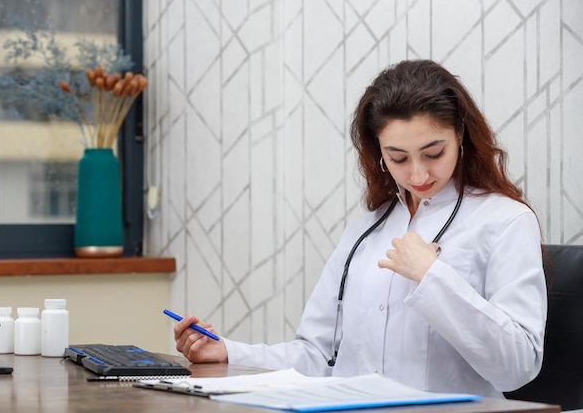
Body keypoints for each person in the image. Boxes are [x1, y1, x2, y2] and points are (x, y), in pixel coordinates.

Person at [173, 59, 547, 398]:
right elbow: (318, 355)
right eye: (398, 158)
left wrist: (432, 277)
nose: (417, 174)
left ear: (461, 135)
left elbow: (518, 367)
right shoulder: (365, 232)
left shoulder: (506, 221)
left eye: (434, 153)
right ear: (378, 153)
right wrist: (227, 351)